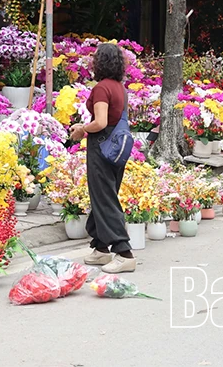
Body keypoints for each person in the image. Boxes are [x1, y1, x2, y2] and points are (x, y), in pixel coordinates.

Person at [69, 43, 134, 274]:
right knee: (104, 194)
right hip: (118, 147)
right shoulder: (120, 88)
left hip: (101, 146)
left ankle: (124, 252)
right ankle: (100, 248)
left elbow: (100, 122)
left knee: (104, 197)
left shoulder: (101, 88)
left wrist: (81, 129)